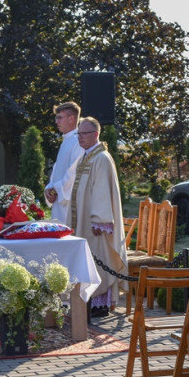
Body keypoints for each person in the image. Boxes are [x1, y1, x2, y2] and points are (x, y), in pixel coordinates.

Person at [70, 117, 126, 317]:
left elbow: (102, 190)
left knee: (99, 258)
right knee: (89, 260)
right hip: (83, 219)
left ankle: (99, 304)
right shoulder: (87, 157)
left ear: (95, 134)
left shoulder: (101, 158)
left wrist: (99, 220)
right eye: (78, 134)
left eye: (84, 133)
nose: (80, 137)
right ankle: (87, 301)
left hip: (96, 224)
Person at [44, 101, 84, 224]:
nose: (56, 122)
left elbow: (73, 173)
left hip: (69, 203)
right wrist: (49, 188)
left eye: (59, 118)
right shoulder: (66, 141)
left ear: (71, 118)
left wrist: (55, 189)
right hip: (59, 198)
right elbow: (57, 169)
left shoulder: (78, 141)